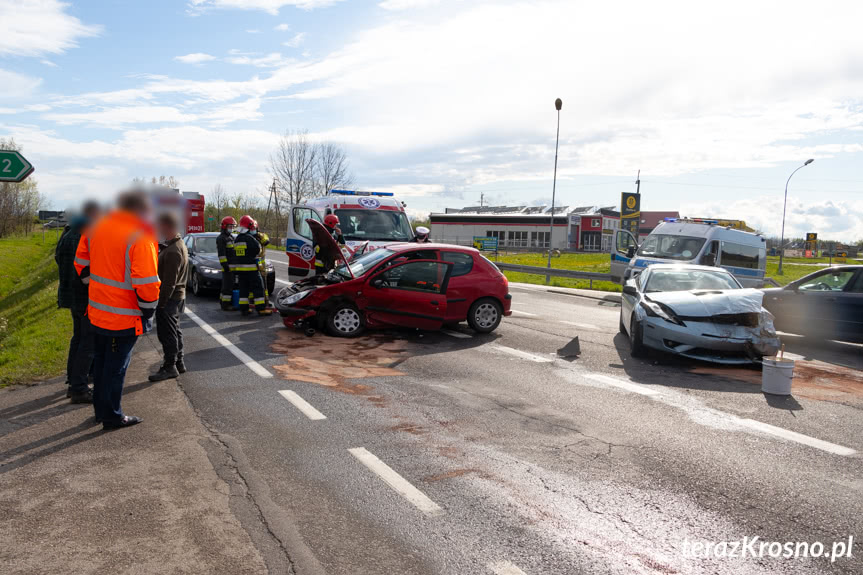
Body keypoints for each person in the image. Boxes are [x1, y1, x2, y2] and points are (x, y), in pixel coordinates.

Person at [75, 189, 160, 429]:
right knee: (115, 369)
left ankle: (102, 412)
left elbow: (81, 263)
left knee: (101, 364)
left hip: (98, 312)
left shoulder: (96, 227)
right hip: (123, 316)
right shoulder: (140, 235)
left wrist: (98, 289)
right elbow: (147, 282)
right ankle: (111, 416)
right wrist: (148, 311)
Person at [56, 201, 102, 403]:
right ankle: (79, 388)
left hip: (70, 295)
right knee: (88, 341)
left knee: (78, 338)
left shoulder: (67, 234)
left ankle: (72, 380)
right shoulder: (84, 237)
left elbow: (59, 260)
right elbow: (86, 270)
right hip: (84, 296)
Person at [149, 212, 189, 382]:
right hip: (177, 297)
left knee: (168, 334)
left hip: (170, 298)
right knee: (175, 331)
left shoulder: (173, 250)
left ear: (167, 226)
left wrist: (161, 303)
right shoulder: (176, 244)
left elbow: (169, 282)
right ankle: (179, 362)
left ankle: (170, 366)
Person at [232, 215, 272, 316]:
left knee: (243, 289)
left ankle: (244, 309)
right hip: (252, 269)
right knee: (258, 287)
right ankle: (261, 309)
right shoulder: (250, 239)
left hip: (241, 270)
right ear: (249, 227)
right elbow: (257, 250)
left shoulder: (237, 239)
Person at [217, 216, 237, 310]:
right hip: (227, 267)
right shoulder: (221, 238)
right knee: (227, 287)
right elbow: (222, 255)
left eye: (233, 226)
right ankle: (226, 305)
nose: (232, 228)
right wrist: (226, 266)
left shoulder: (230, 237)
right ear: (224, 226)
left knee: (227, 286)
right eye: (230, 226)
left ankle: (222, 302)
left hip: (232, 267)